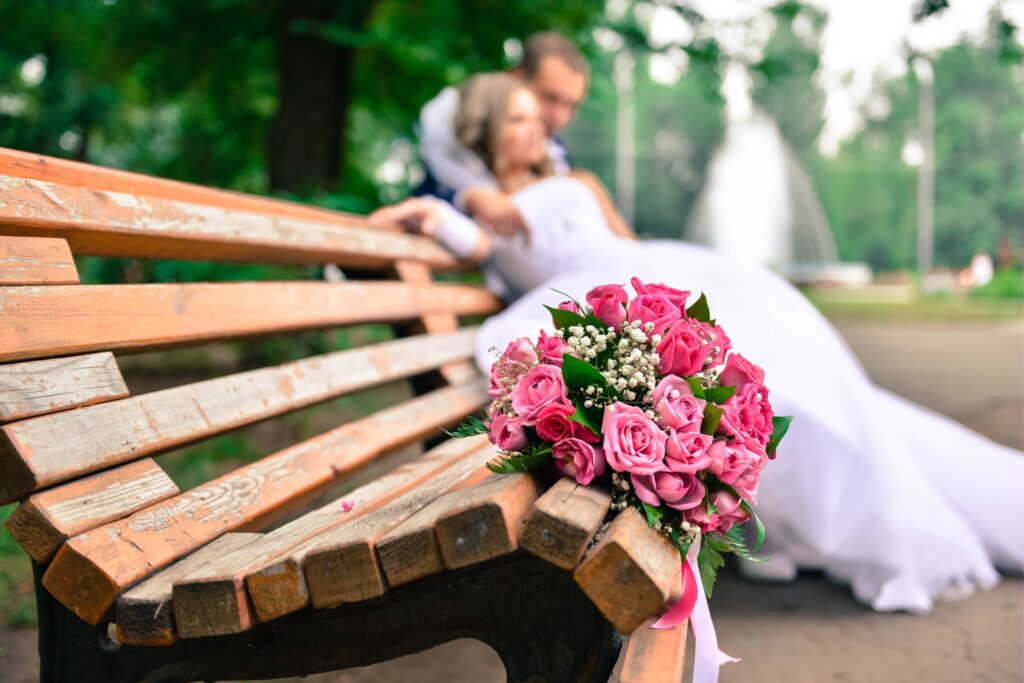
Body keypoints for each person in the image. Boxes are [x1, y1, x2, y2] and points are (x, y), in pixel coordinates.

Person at [371, 73, 1024, 614]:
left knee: (780, 375)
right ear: (484, 132)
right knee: (735, 394)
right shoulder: (489, 206)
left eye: (535, 117)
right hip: (595, 303)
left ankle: (821, 509)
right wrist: (433, 212)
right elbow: (479, 242)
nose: (537, 126)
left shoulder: (576, 181)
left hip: (643, 276)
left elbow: (620, 239)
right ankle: (778, 521)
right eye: (516, 119)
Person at [416, 32, 588, 239]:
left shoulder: (562, 161)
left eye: (571, 105)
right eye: (550, 98)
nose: (559, 117)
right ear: (516, 79)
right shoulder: (457, 121)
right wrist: (468, 197)